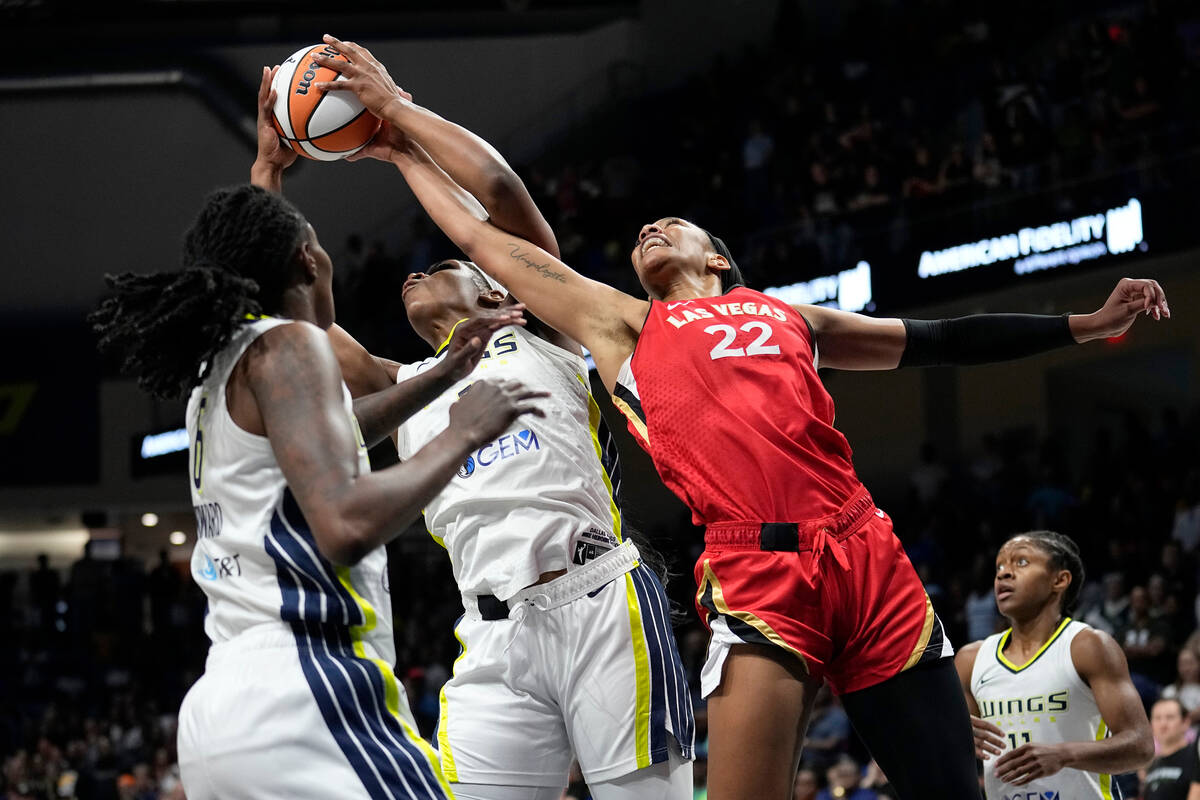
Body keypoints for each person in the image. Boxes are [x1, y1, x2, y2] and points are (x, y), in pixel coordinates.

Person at [312, 35, 1171, 800]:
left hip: (869, 553)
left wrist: (1079, 325)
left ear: (717, 258)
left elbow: (941, 337)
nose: (650, 225)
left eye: (672, 224)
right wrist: (398, 137)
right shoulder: (623, 326)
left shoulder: (789, 315)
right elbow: (485, 234)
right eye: (647, 226)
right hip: (760, 572)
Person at [250, 64, 694, 799]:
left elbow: (497, 193)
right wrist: (268, 170)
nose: (415, 278)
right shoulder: (400, 385)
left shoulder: (549, 330)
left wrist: (400, 137)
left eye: (446, 264)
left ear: (493, 290)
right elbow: (289, 316)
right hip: (490, 633)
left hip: (597, 601)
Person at [90, 167, 545, 798]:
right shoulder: (291, 345)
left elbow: (335, 433)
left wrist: (447, 372)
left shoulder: (223, 372)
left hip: (220, 712)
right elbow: (345, 524)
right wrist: (461, 432)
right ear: (309, 256)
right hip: (308, 691)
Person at [956, 531, 1154, 799]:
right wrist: (954, 733)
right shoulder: (971, 659)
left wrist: (1064, 754)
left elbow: (1140, 747)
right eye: (1000, 566)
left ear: (1059, 580)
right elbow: (945, 753)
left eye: (1021, 562)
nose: (1004, 573)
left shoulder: (1087, 646)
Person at [1142, 698, 1197, 800]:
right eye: (1157, 718)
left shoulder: (1196, 757)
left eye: (1170, 717)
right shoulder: (1152, 764)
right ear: (1151, 725)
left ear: (1185, 722)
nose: (1163, 724)